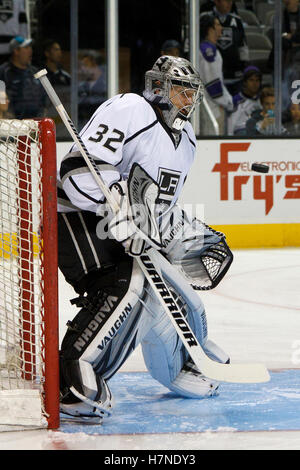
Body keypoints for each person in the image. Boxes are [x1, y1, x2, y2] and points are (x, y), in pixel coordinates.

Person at [57, 56, 232, 422]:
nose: (188, 99)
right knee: (126, 283)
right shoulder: (131, 108)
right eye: (180, 90)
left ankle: (177, 366)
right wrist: (115, 208)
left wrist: (182, 236)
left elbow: (160, 208)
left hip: (124, 229)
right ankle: (69, 376)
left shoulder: (187, 141)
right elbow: (76, 172)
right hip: (76, 216)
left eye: (191, 92)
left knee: (166, 292)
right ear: (158, 88)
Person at [201, 0, 249, 96]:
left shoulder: (237, 20)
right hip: (211, 76)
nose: (230, 3)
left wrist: (244, 65)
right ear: (217, 1)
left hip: (234, 76)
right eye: (226, 1)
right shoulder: (204, 18)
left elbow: (242, 46)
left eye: (231, 1)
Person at [199, 14, 234, 133]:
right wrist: (227, 101)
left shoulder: (205, 48)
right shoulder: (208, 50)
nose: (221, 28)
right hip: (213, 107)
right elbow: (212, 84)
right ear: (210, 29)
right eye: (218, 25)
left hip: (209, 105)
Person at [0, 35, 45, 119]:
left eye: (30, 47)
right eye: (26, 47)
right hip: (13, 126)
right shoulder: (3, 72)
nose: (30, 50)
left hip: (36, 124)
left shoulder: (35, 71)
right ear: (16, 51)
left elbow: (44, 98)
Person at [227, 65, 262, 135]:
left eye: (257, 80)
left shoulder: (263, 100)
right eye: (251, 80)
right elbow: (230, 126)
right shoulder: (235, 101)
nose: (255, 84)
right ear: (245, 82)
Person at [78, 51, 107, 129]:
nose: (82, 68)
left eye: (85, 65)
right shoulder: (82, 87)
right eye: (82, 65)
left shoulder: (107, 85)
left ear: (95, 64)